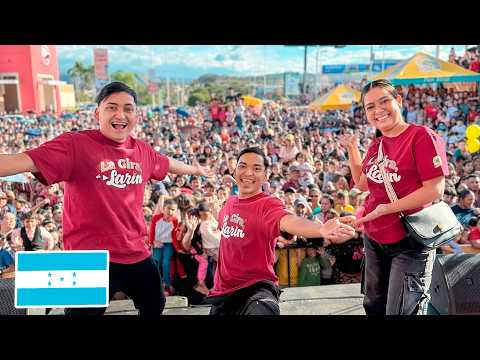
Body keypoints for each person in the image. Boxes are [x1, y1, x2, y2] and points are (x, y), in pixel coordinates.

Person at [0, 81, 212, 316]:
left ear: (136, 115)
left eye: (128, 108)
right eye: (112, 107)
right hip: (90, 257)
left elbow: (168, 163)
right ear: (97, 113)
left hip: (136, 253)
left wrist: (195, 171)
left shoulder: (142, 150)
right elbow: (23, 160)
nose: (120, 114)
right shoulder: (75, 145)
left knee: (155, 304)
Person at [340, 79, 449, 315]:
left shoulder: (421, 136)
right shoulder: (376, 145)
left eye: (384, 101)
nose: (378, 111)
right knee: (374, 305)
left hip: (410, 241)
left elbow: (434, 190)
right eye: (370, 107)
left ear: (398, 101)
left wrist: (386, 209)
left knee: (402, 310)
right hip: (374, 237)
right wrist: (352, 149)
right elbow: (361, 184)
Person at [205, 147, 356, 315]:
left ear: (265, 175)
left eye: (256, 168)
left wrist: (321, 228)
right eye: (242, 166)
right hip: (223, 294)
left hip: (256, 289)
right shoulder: (228, 205)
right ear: (234, 170)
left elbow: (288, 220)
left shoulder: (267, 204)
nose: (248, 172)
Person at [148, 198, 179, 296]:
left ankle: (167, 283)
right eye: (168, 209)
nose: (170, 212)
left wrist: (178, 247)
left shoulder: (175, 220)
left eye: (173, 210)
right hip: (157, 243)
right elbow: (151, 232)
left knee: (166, 262)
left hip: (168, 244)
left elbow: (175, 235)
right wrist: (153, 242)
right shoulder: (156, 218)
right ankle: (158, 283)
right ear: (163, 208)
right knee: (156, 261)